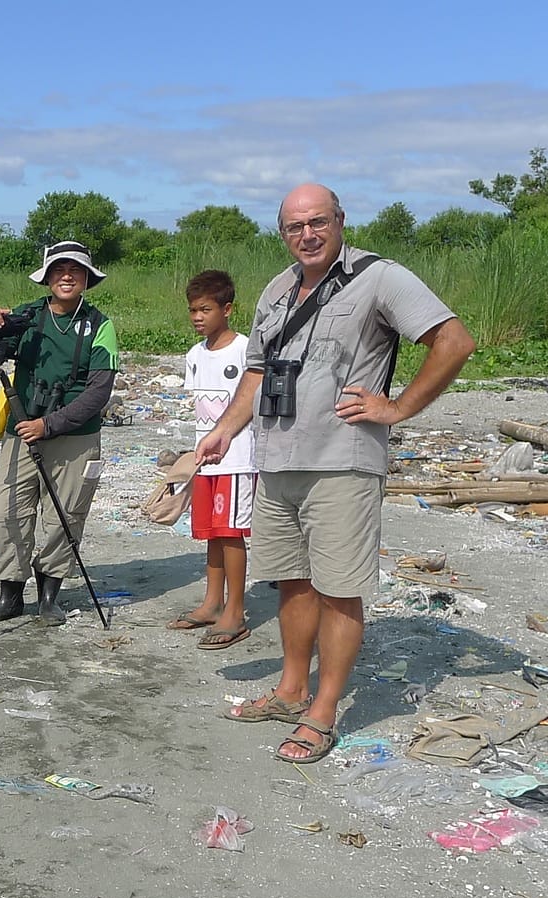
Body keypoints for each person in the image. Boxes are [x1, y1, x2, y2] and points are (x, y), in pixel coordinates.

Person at [197, 184, 474, 764]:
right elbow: (255, 373)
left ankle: (323, 714)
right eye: (295, 226)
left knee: (339, 589)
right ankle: (291, 690)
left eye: (318, 222)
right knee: (292, 581)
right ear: (282, 232)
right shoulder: (276, 289)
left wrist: (397, 408)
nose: (307, 235)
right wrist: (226, 428)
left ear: (340, 221)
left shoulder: (381, 277)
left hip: (341, 460)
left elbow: (453, 340)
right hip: (277, 459)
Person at [0, 240, 120, 626]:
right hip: (22, 431)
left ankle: (50, 597)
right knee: (7, 511)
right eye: (58, 269)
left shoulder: (100, 326)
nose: (66, 276)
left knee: (65, 516)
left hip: (75, 438)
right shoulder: (28, 317)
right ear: (47, 277)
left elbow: (99, 392)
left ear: (87, 278)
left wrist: (50, 424)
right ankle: (9, 595)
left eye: (75, 270)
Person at [169, 270, 257, 650]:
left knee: (231, 533)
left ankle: (235, 611)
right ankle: (211, 601)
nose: (197, 317)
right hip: (206, 462)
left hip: (238, 459)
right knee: (210, 533)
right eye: (192, 310)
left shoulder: (246, 350)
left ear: (227, 309)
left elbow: (252, 402)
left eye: (205, 309)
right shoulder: (194, 355)